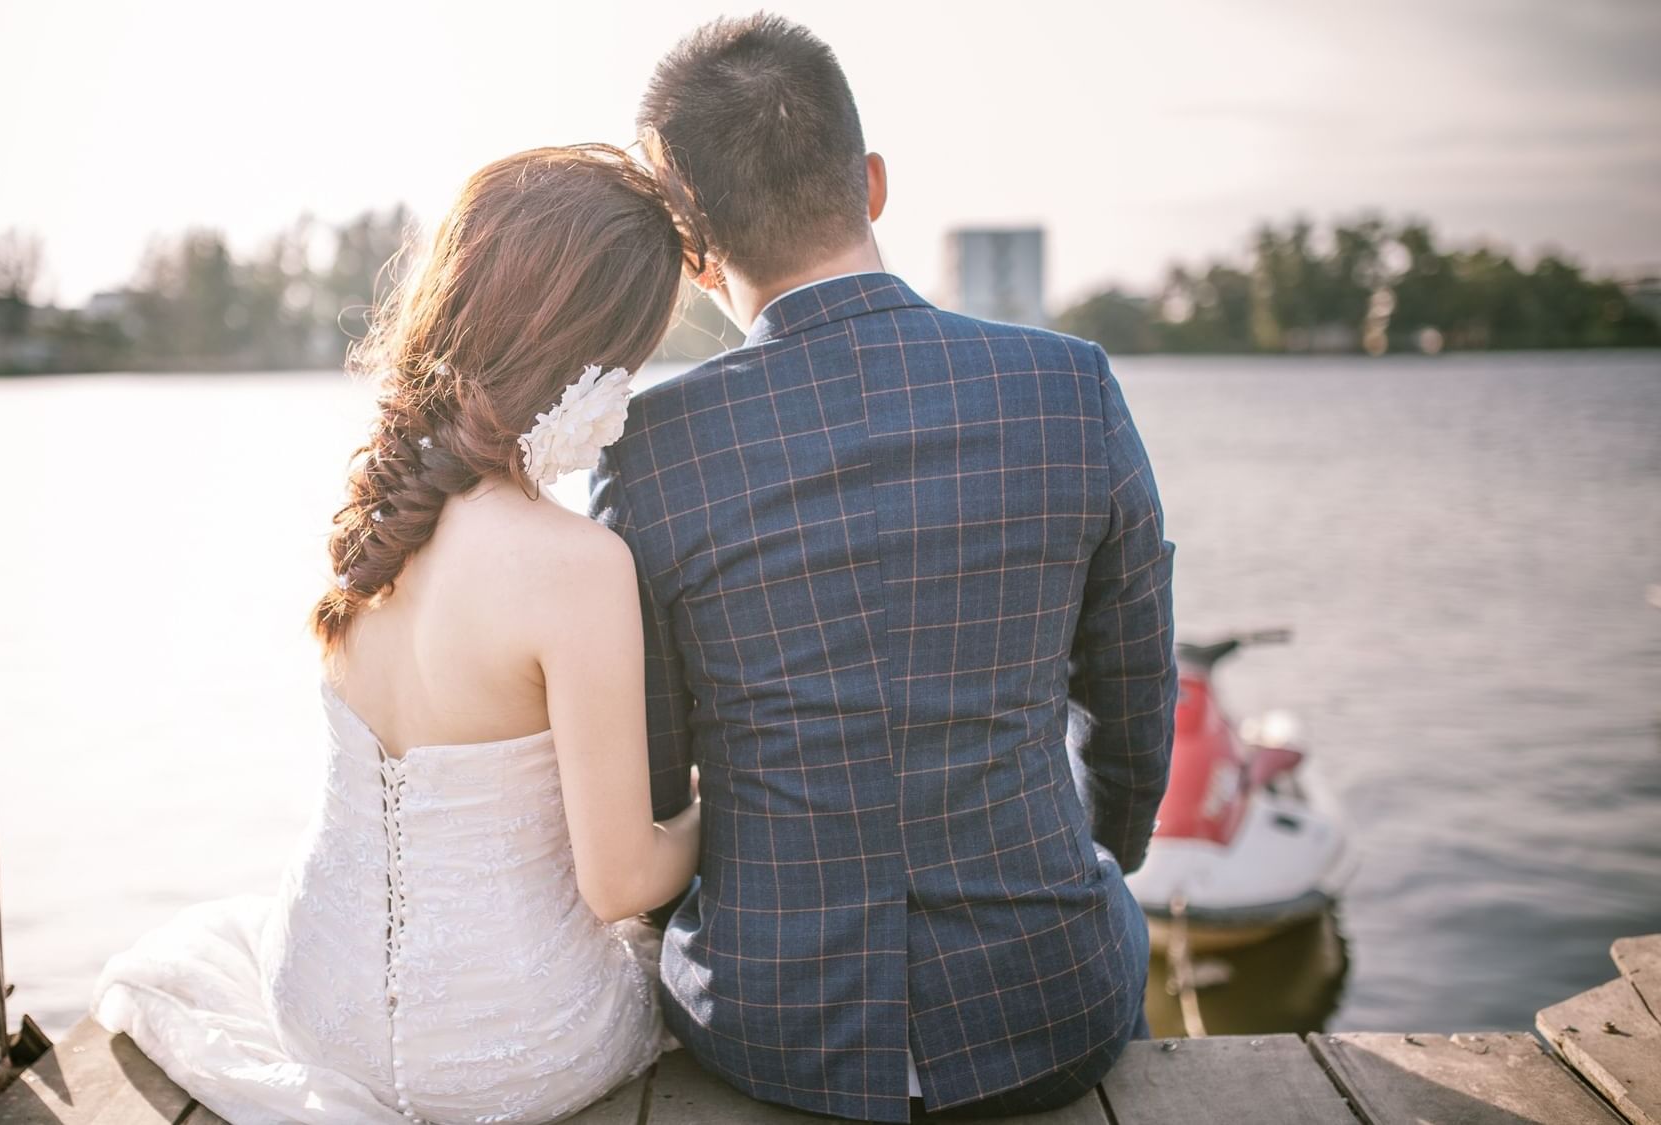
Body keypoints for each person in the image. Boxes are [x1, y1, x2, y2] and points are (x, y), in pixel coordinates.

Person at [589, 14, 1177, 1121]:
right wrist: (1093, 859)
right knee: (1109, 917)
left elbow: (659, 779)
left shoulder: (649, 452)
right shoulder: (1069, 388)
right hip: (1046, 1010)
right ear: (870, 183)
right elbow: (1136, 700)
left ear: (695, 250)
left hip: (774, 1030)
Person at [89, 145, 706, 1125]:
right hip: (516, 1045)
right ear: (594, 360)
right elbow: (619, 881)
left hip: (315, 1005)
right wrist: (711, 808)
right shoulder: (576, 565)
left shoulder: (377, 526)